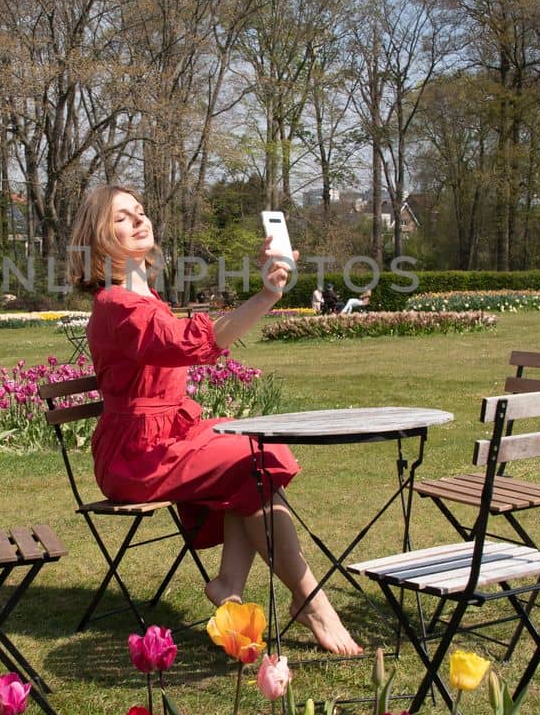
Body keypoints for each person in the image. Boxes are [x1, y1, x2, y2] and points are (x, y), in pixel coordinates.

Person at [69, 184, 362, 656]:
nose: (140, 221)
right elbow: (191, 344)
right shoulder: (117, 306)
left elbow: (180, 344)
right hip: (136, 458)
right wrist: (267, 294)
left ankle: (231, 583)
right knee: (254, 455)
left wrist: (267, 287)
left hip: (163, 438)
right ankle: (310, 601)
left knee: (251, 454)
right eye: (123, 218)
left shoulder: (139, 293)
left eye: (141, 212)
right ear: (99, 237)